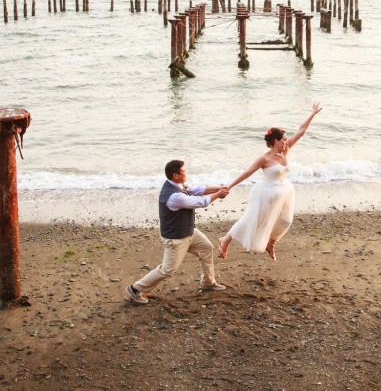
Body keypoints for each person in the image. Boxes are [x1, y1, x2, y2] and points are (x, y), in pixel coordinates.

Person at [218, 102, 322, 261]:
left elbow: (301, 131)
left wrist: (313, 114)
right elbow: (247, 173)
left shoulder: (286, 150)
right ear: (275, 141)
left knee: (286, 221)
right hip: (266, 193)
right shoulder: (264, 159)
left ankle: (271, 243)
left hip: (285, 192)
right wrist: (229, 187)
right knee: (252, 220)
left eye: (287, 139)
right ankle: (225, 240)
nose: (287, 142)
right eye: (284, 140)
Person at [125, 159, 229, 304]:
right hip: (176, 238)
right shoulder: (174, 196)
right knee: (168, 270)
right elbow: (200, 202)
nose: (186, 172)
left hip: (189, 231)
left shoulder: (178, 185)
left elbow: (197, 190)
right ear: (175, 175)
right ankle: (135, 289)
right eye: (183, 171)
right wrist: (218, 195)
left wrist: (218, 188)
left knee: (206, 248)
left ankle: (208, 282)